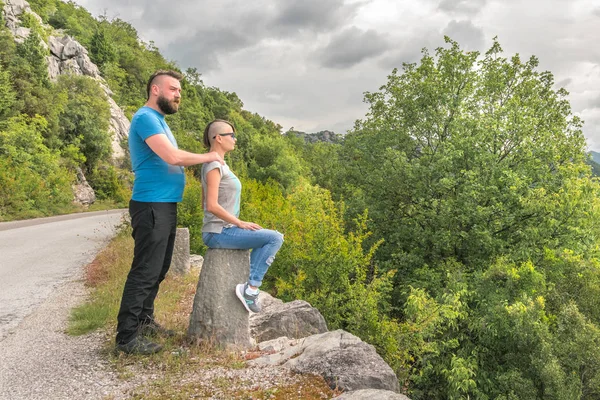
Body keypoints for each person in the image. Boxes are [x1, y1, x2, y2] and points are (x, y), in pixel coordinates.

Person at [116, 70, 223, 355]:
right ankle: (126, 337)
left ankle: (144, 322)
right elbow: (172, 157)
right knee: (145, 271)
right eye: (174, 89)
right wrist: (210, 156)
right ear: (155, 89)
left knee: (159, 268)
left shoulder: (160, 121)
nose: (178, 95)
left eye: (180, 91)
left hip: (163, 204)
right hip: (151, 204)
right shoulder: (145, 118)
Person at [201, 119, 284, 313]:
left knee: (268, 235)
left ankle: (250, 287)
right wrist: (239, 223)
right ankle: (251, 289)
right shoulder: (213, 165)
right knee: (274, 238)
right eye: (232, 135)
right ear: (219, 138)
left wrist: (237, 224)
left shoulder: (218, 164)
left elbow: (204, 200)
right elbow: (210, 205)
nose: (235, 139)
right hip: (218, 232)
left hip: (224, 229)